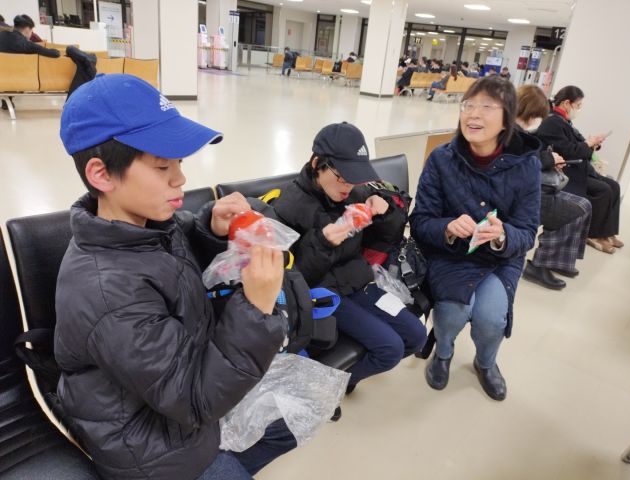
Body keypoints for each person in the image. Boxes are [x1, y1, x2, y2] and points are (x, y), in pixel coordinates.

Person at [55, 74, 297, 480]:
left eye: (180, 163)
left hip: (177, 391)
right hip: (153, 448)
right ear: (102, 175)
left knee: (285, 427)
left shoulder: (146, 225)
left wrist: (211, 229)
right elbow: (195, 399)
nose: (180, 178)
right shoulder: (106, 291)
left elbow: (176, 251)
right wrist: (256, 309)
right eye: (162, 166)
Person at [272, 122, 427, 396]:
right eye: (342, 177)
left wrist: (386, 211)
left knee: (416, 336)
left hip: (359, 282)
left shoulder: (355, 193)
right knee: (390, 349)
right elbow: (292, 280)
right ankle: (325, 388)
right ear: (317, 164)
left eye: (355, 178)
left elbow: (388, 238)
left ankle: (345, 378)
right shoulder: (288, 207)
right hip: (323, 294)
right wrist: (324, 242)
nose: (349, 186)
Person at [410, 76, 540, 401]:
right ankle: (443, 353)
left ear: (507, 118)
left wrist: (502, 235)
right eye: (468, 105)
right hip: (451, 255)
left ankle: (486, 362)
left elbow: (527, 232)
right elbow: (420, 221)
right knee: (451, 313)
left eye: (487, 106)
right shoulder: (441, 159)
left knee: (491, 319)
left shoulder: (526, 166)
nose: (474, 114)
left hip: (499, 260)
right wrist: (448, 227)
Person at [516, 85, 592, 290]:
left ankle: (559, 260)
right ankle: (540, 264)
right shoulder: (514, 133)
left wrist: (550, 159)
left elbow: (529, 157)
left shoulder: (521, 132)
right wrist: (549, 159)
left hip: (535, 185)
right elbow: (521, 162)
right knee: (576, 209)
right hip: (527, 193)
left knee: (585, 204)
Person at [536, 85, 623, 254]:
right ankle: (594, 234)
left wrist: (592, 144)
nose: (579, 109)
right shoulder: (552, 122)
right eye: (578, 105)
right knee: (604, 189)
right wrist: (587, 144)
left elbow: (579, 145)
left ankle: (607, 232)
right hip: (568, 171)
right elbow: (568, 151)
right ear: (567, 103)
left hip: (579, 168)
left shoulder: (564, 121)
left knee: (614, 185)